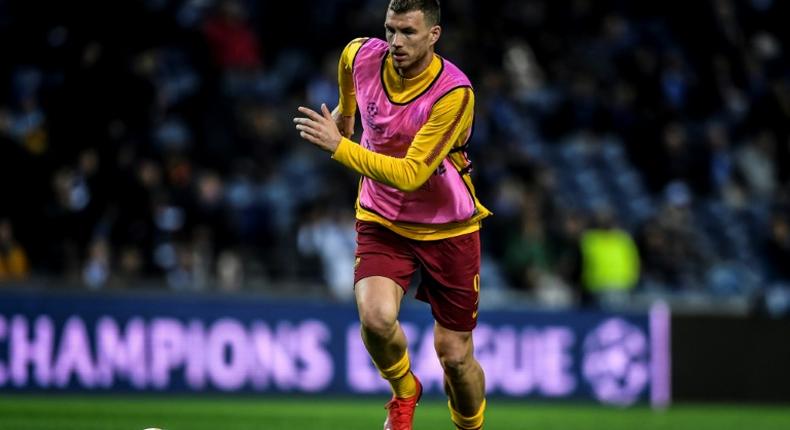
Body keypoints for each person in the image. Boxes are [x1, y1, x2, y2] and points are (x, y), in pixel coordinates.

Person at [293, 1, 490, 429]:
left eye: (408, 32)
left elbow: (412, 174)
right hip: (382, 219)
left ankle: (470, 426)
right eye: (390, 30)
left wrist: (340, 146)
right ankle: (404, 391)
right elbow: (347, 66)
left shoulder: (454, 93)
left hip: (447, 227)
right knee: (377, 319)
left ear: (434, 35)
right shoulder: (362, 54)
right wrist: (346, 114)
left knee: (455, 357)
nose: (395, 42)